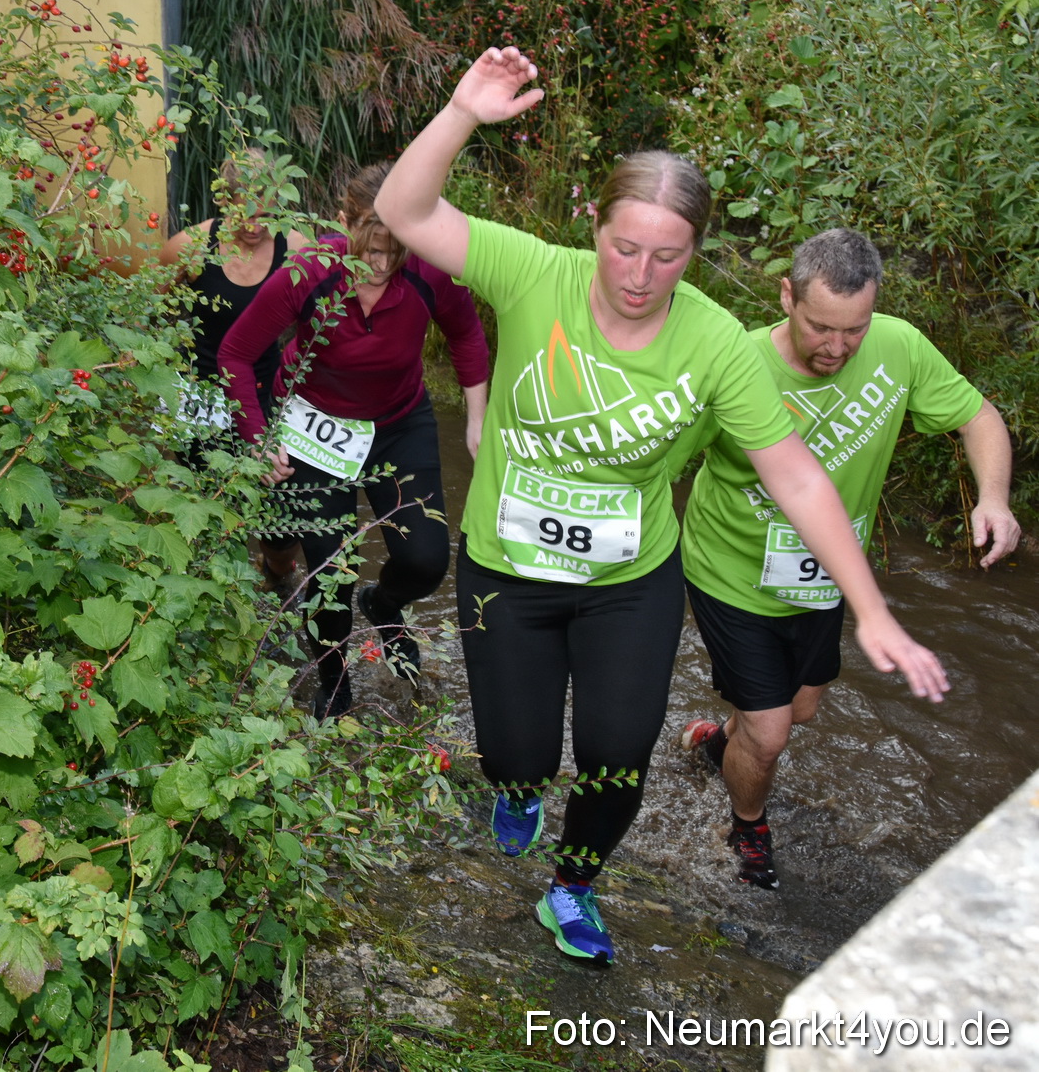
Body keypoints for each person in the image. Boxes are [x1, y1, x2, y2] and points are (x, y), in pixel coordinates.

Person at [374, 47, 948, 966]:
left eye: (668, 256)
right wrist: (461, 113)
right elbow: (401, 211)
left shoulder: (717, 341)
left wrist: (871, 609)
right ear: (593, 228)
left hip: (629, 582)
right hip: (508, 571)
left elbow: (797, 474)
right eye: (624, 246)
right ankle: (516, 785)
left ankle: (572, 888)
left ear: (695, 253)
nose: (640, 274)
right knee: (518, 751)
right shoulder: (533, 272)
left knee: (616, 753)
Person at [677, 228, 1020, 890]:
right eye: (820, 326)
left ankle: (721, 744)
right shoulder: (735, 362)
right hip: (730, 569)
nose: (836, 346)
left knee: (800, 710)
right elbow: (663, 452)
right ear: (787, 296)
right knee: (774, 730)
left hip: (828, 574)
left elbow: (978, 416)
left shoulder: (898, 347)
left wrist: (995, 499)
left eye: (853, 329)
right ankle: (747, 825)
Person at [218, 161, 490, 719]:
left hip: (398, 422)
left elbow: (466, 332)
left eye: (396, 247)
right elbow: (236, 355)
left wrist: (476, 416)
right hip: (317, 426)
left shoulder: (428, 271)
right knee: (329, 570)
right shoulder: (308, 272)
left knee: (427, 558)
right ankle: (334, 683)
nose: (382, 262)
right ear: (342, 223)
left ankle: (384, 602)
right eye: (369, 244)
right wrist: (258, 437)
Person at [159, 150, 311, 592]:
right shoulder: (188, 247)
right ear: (224, 200)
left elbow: (316, 323)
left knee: (284, 525)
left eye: (266, 210)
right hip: (200, 395)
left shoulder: (296, 248)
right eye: (245, 211)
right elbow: (148, 315)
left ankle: (277, 579)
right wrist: (169, 380)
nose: (256, 223)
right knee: (206, 515)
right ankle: (216, 610)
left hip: (268, 395)